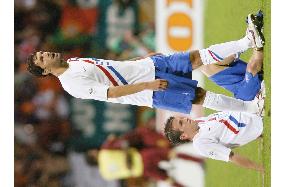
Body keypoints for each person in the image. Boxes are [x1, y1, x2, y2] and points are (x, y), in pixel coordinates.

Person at [26, 12, 264, 114]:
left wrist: (140, 60)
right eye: (42, 58)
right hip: (149, 91)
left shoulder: (74, 60)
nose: (46, 53)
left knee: (195, 57)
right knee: (198, 96)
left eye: (42, 52)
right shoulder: (71, 85)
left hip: (149, 66)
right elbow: (112, 92)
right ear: (45, 70)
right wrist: (146, 86)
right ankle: (249, 108)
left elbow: (110, 68)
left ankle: (246, 40)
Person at [163, 110, 264, 172]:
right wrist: (261, 168)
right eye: (181, 123)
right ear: (183, 136)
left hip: (257, 114)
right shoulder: (200, 144)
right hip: (260, 126)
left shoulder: (198, 122)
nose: (185, 118)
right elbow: (231, 157)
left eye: (182, 118)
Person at [199, 10, 265, 102]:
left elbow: (233, 54)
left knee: (208, 57)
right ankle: (254, 39)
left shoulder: (206, 62)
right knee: (251, 68)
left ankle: (251, 36)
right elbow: (233, 55)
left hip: (250, 76)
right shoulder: (205, 65)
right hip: (245, 94)